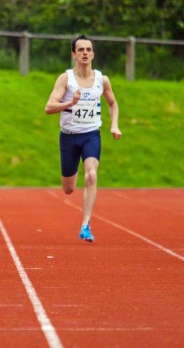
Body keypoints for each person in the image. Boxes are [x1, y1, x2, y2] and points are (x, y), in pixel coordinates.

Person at [44, 35, 121, 243]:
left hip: (91, 135)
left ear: (93, 54)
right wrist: (70, 102)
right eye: (81, 50)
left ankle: (85, 225)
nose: (85, 53)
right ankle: (73, 176)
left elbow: (113, 104)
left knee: (91, 176)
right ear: (74, 55)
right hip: (69, 137)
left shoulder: (101, 80)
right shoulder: (65, 79)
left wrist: (114, 125)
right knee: (68, 189)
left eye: (88, 49)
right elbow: (49, 107)